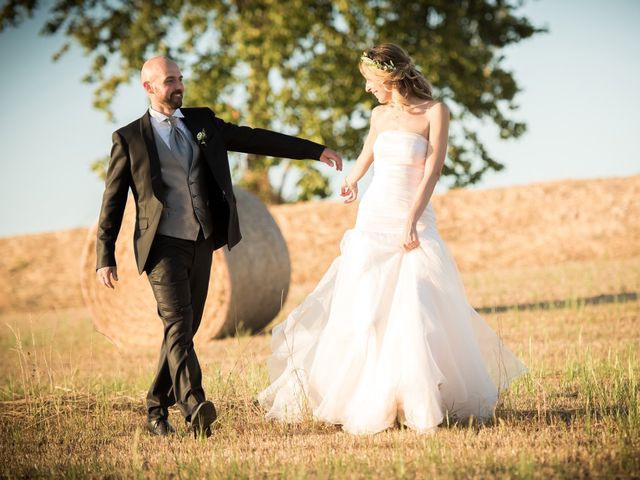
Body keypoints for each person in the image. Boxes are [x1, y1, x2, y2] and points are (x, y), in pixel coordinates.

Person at [258, 44, 526, 434]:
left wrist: (412, 219)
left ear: (388, 77)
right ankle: (370, 397)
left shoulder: (435, 112)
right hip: (374, 216)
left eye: (370, 81)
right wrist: (350, 180)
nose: (367, 89)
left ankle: (416, 399)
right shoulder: (379, 115)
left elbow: (432, 171)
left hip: (412, 214)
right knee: (368, 305)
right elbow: (368, 156)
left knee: (418, 302)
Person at [95, 56, 343, 437]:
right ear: (148, 87)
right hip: (161, 247)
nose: (178, 86)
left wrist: (314, 151)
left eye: (179, 79)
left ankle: (155, 407)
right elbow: (112, 200)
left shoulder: (202, 122)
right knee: (177, 323)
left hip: (201, 239)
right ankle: (195, 405)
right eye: (169, 81)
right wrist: (104, 255)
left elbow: (256, 138)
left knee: (185, 328)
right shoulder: (128, 139)